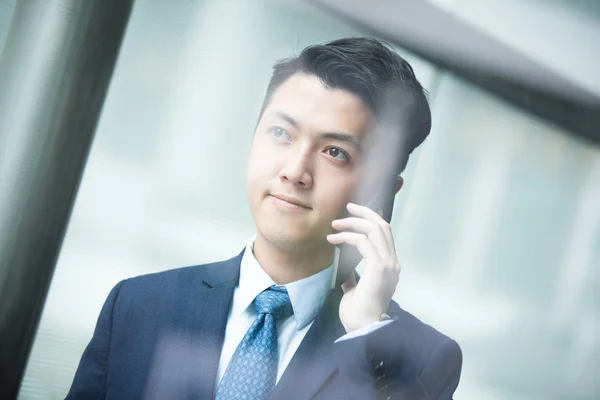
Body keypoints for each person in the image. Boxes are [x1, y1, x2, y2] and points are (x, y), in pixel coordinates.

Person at [66, 37, 462, 399]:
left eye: (335, 153)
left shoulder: (423, 359)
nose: (295, 171)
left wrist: (365, 336)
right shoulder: (136, 305)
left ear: (381, 192)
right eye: (281, 133)